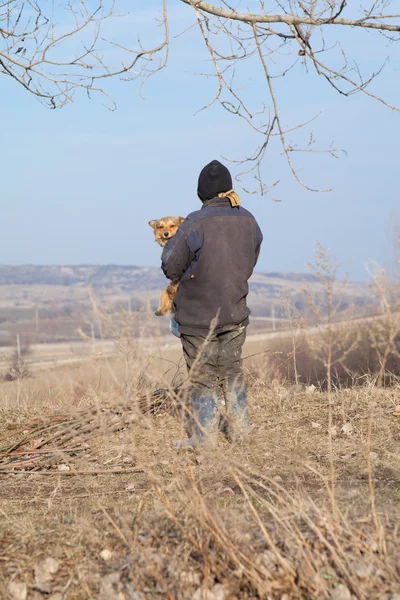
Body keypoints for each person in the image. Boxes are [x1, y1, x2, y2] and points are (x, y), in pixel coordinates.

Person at [161, 160, 263, 449]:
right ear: (228, 190)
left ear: (200, 194)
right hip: (235, 311)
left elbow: (170, 266)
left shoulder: (194, 222)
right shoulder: (249, 219)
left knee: (203, 376)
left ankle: (205, 442)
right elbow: (250, 260)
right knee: (231, 371)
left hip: (197, 317)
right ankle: (242, 430)